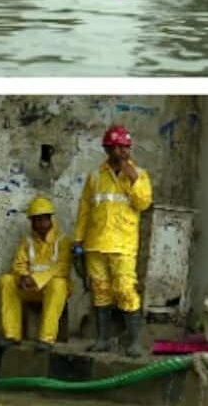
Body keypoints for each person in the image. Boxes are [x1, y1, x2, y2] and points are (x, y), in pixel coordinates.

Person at [73, 125, 153, 357]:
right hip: (96, 242)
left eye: (125, 147)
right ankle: (102, 339)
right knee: (100, 290)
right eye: (117, 147)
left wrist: (133, 179)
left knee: (125, 289)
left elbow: (143, 204)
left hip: (123, 244)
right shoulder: (95, 177)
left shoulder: (139, 175)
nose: (122, 151)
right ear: (107, 149)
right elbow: (85, 210)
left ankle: (135, 341)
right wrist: (78, 240)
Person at [0, 196, 73, 352]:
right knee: (6, 280)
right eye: (35, 220)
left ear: (50, 219)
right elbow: (18, 264)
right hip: (30, 289)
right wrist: (23, 277)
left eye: (42, 220)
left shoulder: (63, 241)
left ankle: (46, 339)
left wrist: (37, 280)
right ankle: (11, 335)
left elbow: (62, 267)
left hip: (51, 290)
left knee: (59, 284)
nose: (38, 224)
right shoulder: (27, 241)